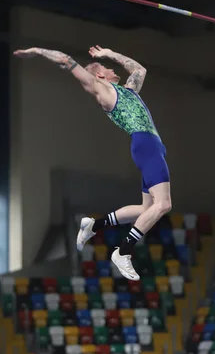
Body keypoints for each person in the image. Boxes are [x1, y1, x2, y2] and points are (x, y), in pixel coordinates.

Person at [13, 45, 172, 281]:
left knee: (146, 209)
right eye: (108, 68)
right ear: (99, 75)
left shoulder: (129, 90)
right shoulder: (101, 89)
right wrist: (36, 50)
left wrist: (109, 53)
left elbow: (139, 69)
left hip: (153, 147)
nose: (112, 69)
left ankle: (94, 225)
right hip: (145, 145)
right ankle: (123, 252)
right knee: (163, 205)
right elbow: (66, 60)